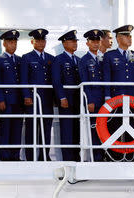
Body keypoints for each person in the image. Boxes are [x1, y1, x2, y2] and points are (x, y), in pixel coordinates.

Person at [102, 25, 134, 161]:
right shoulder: (109, 56)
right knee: (115, 127)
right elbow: (107, 77)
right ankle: (115, 156)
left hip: (132, 99)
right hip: (116, 98)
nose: (130, 38)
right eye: (126, 36)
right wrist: (107, 96)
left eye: (130, 36)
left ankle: (129, 156)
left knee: (132, 126)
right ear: (119, 38)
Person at [20, 28, 55, 161]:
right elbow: (23, 79)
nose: (41, 43)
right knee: (32, 129)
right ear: (32, 41)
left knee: (46, 129)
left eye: (43, 40)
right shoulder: (26, 58)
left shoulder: (51, 59)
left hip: (47, 100)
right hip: (33, 100)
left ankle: (45, 156)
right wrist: (26, 96)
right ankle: (31, 157)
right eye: (38, 40)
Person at [0, 30, 23, 161]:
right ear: (4, 43)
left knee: (17, 129)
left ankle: (15, 156)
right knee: (5, 129)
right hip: (6, 100)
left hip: (18, 101)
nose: (13, 44)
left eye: (15, 42)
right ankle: (5, 157)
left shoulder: (20, 60)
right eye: (10, 42)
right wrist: (0, 99)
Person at [52, 30, 81, 161]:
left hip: (78, 100)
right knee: (67, 131)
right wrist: (62, 97)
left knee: (77, 130)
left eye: (75, 41)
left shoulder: (79, 60)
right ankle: (68, 159)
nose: (75, 44)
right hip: (66, 101)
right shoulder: (59, 60)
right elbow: (56, 81)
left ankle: (76, 157)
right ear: (64, 43)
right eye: (72, 41)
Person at [79, 29, 105, 162]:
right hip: (93, 99)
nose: (95, 44)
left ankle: (105, 154)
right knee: (94, 128)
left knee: (105, 127)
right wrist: (89, 100)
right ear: (87, 43)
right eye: (93, 41)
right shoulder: (84, 60)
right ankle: (96, 156)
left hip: (104, 99)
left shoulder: (103, 58)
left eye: (97, 41)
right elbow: (84, 81)